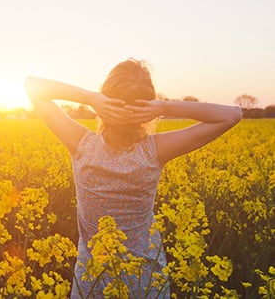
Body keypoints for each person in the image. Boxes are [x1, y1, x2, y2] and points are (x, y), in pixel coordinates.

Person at [24, 58, 242, 298]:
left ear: (104, 103)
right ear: (148, 111)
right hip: (145, 279)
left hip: (93, 280)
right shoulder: (156, 150)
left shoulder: (81, 144)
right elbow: (232, 115)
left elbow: (31, 85)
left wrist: (91, 98)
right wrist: (163, 107)